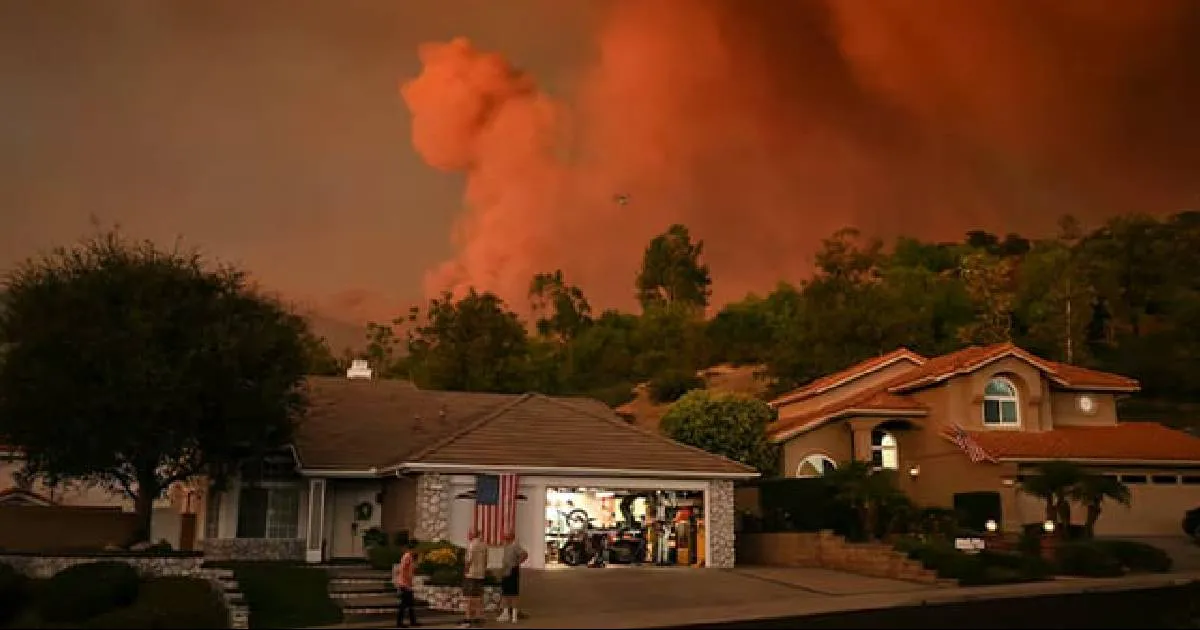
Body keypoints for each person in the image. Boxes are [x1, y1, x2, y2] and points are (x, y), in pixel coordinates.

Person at [497, 532, 528, 623]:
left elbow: (525, 554)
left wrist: (517, 563)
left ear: (511, 536)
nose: (504, 536)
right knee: (505, 593)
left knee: (513, 594)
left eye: (506, 535)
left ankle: (514, 616)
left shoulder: (515, 546)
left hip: (512, 571)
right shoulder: (506, 546)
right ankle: (505, 613)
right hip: (506, 572)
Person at [459, 529, 488, 628]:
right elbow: (486, 561)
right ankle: (478, 617)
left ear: (472, 535)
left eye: (469, 533)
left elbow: (469, 560)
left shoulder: (472, 545)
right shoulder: (484, 545)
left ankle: (467, 619)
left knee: (469, 597)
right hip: (481, 574)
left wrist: (465, 571)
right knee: (478, 597)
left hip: (471, 574)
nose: (468, 535)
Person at [392, 540, 419, 627]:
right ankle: (399, 623)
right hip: (404, 583)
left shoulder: (410, 556)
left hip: (407, 583)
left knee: (410, 604)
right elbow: (403, 570)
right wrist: (407, 581)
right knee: (403, 604)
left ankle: (413, 621)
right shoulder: (407, 556)